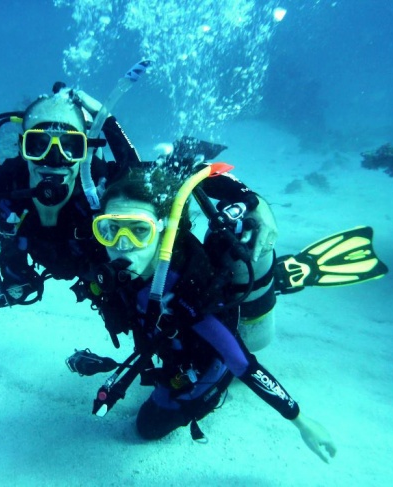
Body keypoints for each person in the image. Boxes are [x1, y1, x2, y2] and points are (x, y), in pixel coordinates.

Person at [73, 167, 337, 463]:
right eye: (110, 229)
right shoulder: (112, 262)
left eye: (139, 229)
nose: (122, 244)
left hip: (203, 362)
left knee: (148, 427)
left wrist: (301, 421)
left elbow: (242, 363)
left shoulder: (187, 293)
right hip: (168, 346)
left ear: (164, 230)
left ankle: (271, 283)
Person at [0, 85, 279, 328]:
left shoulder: (99, 186)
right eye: (38, 145)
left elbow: (167, 176)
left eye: (71, 146)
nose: (54, 160)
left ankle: (259, 284)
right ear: (22, 146)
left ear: (86, 151)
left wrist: (251, 200)